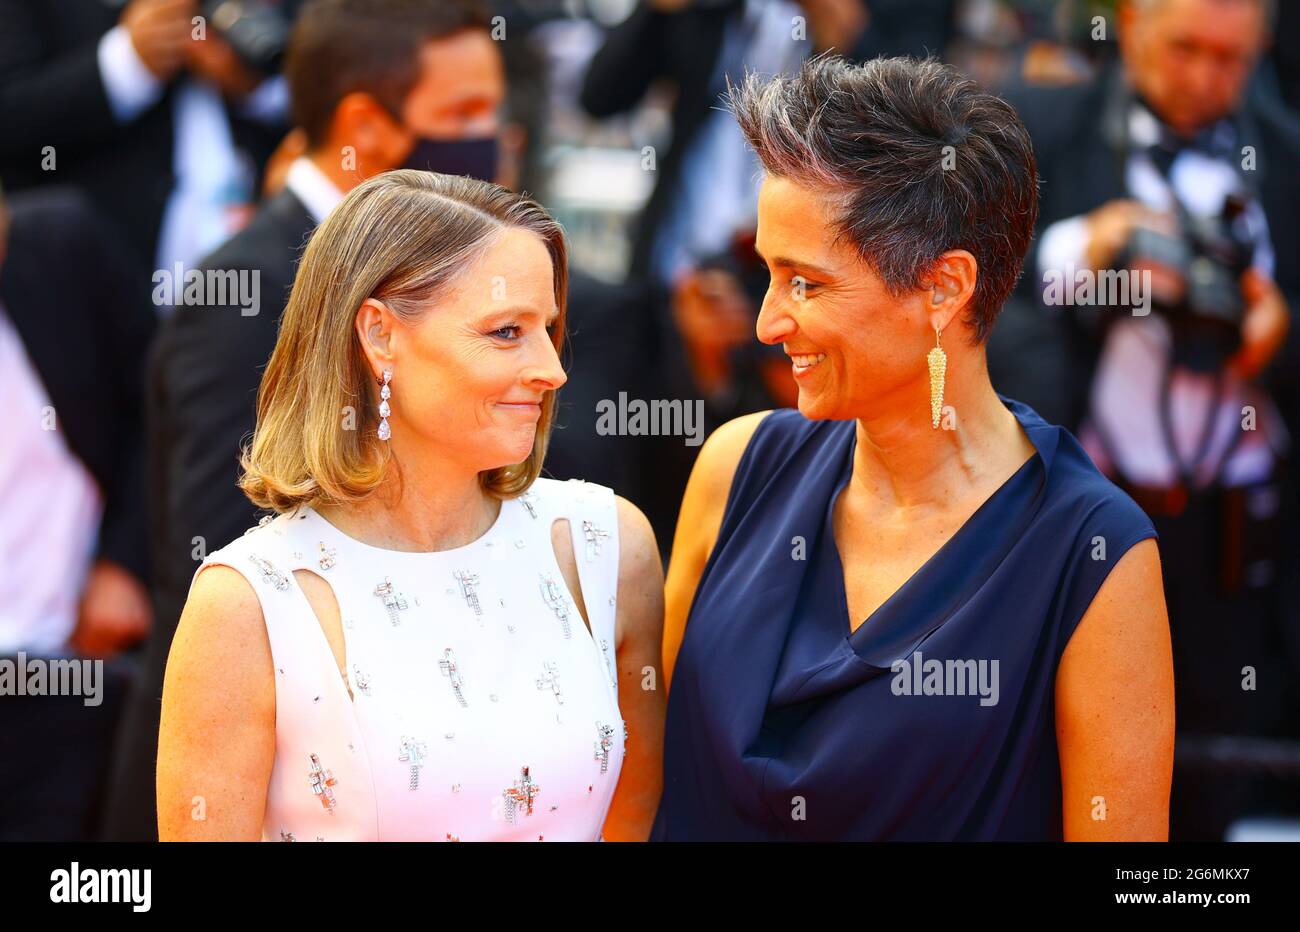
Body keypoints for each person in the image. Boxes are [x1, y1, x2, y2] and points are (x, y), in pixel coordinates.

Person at [652, 55, 1174, 841]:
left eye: (806, 284)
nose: (765, 324)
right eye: (766, 273)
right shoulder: (736, 467)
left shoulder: (1092, 555)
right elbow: (645, 781)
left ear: (943, 289)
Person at [156, 170, 665, 841]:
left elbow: (634, 817)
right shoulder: (249, 601)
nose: (552, 368)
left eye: (548, 327)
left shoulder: (606, 547)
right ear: (380, 336)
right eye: (506, 331)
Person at [103, 0, 507, 839]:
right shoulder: (245, 296)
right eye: (463, 115)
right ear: (365, 121)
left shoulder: (440, 277)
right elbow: (218, 563)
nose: (492, 140)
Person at [998, 0, 1300, 840]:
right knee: (1069, 771)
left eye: (1232, 59)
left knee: (1214, 788)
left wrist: (1278, 335)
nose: (1207, 78)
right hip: (1082, 525)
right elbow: (964, 299)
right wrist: (1083, 253)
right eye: (1186, 49)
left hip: (1234, 543)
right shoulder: (1038, 125)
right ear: (1128, 25)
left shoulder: (1283, 154)